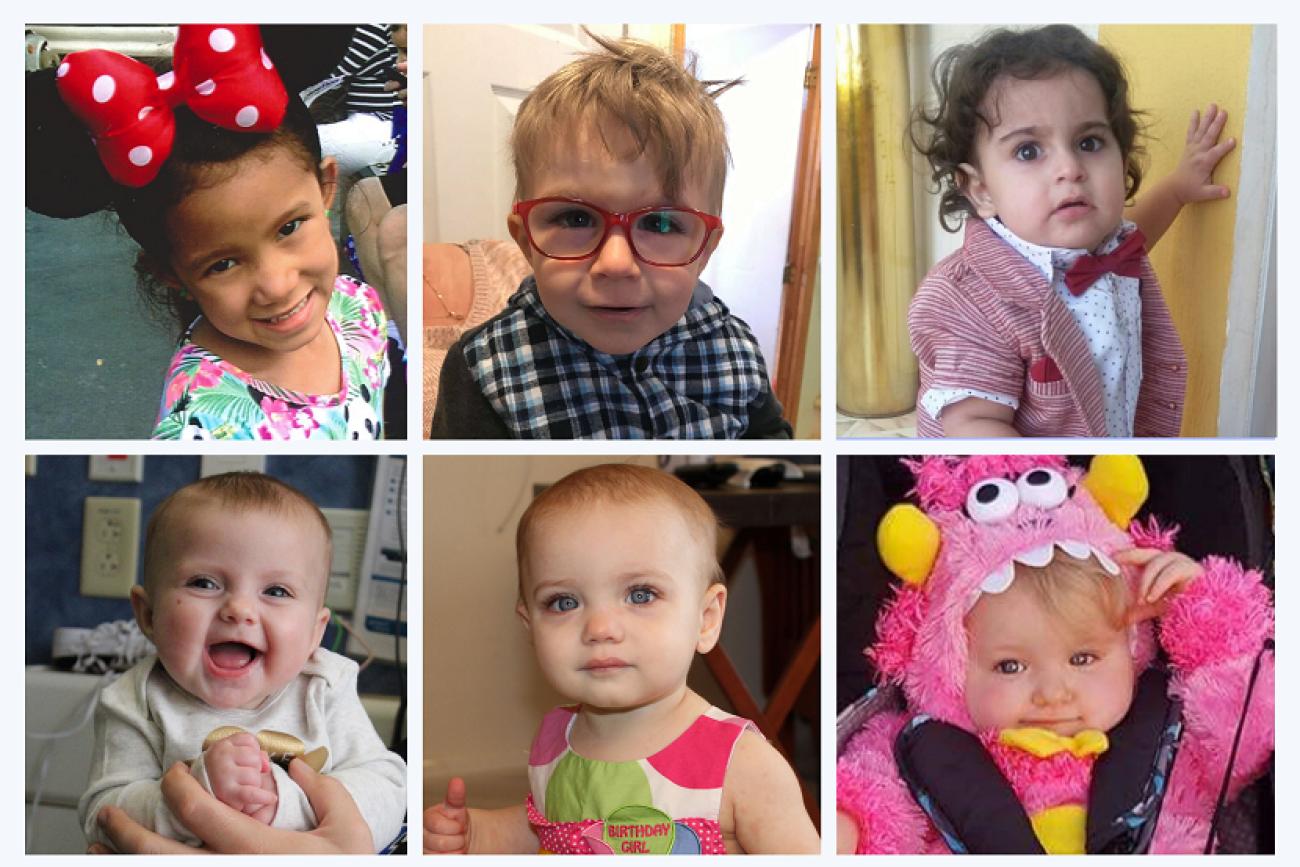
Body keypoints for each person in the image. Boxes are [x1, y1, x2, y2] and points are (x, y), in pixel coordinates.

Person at [836, 455, 1274, 854]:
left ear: (1131, 644)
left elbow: (1256, 726)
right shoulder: (919, 751)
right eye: (1010, 666)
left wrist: (1206, 611)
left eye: (1083, 658)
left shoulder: (1176, 732)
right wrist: (848, 822)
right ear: (950, 666)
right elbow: (866, 791)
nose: (1052, 692)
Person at [424, 464, 819, 853]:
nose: (600, 627)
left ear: (706, 619)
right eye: (564, 602)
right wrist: (477, 834)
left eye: (641, 595)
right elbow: (552, 833)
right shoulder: (555, 738)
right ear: (530, 626)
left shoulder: (743, 763)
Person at [26, 24, 391, 440]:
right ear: (170, 270)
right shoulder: (200, 425)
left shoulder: (357, 306)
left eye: (289, 227)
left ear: (327, 187)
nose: (276, 284)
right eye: (223, 264)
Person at [429, 35, 791, 439]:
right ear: (526, 241)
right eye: (575, 218)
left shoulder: (734, 348)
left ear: (704, 249)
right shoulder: (483, 366)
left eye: (661, 224)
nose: (616, 264)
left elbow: (774, 440)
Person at [907, 26, 1237, 437]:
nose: (1070, 168)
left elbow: (1136, 238)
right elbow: (975, 425)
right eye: (1028, 151)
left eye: (1089, 142)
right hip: (1023, 485)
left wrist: (1177, 188)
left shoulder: (1104, 246)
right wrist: (1058, 492)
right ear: (981, 189)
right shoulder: (968, 301)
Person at [79, 472, 406, 852]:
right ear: (148, 614)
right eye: (204, 583)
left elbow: (389, 785)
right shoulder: (137, 699)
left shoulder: (323, 685)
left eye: (276, 591)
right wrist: (202, 790)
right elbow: (103, 815)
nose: (239, 609)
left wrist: (284, 802)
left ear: (314, 634)